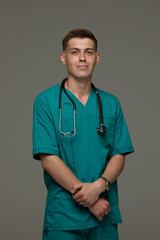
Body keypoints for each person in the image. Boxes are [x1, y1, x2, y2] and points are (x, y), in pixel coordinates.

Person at [32, 28, 134, 240]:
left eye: (88, 52)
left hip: (104, 214)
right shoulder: (46, 101)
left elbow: (119, 154)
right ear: (63, 57)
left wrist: (99, 186)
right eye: (74, 52)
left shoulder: (111, 103)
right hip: (64, 216)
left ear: (97, 58)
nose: (82, 58)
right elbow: (48, 159)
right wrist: (91, 200)